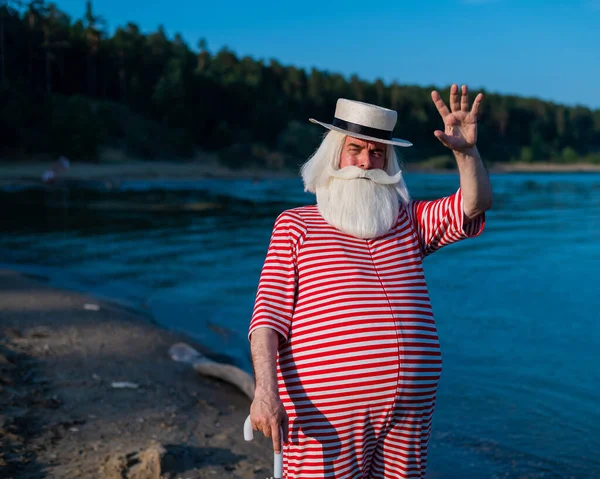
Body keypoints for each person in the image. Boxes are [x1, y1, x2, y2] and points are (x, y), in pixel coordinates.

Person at [248, 84, 492, 478]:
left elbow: (474, 204)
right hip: (324, 413)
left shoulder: (408, 221)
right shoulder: (296, 225)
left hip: (411, 409)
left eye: (377, 152)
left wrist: (466, 153)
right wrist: (265, 393)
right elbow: (267, 319)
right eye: (355, 149)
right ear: (335, 154)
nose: (365, 162)